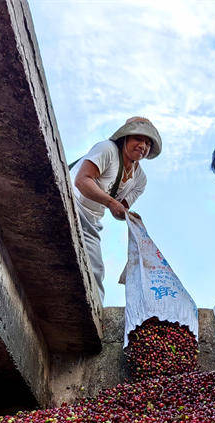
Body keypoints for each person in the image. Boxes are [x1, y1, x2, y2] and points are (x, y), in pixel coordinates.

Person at [70, 117, 162, 301]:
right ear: (125, 138)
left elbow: (121, 209)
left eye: (147, 143)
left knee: (94, 270)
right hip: (71, 202)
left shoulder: (140, 179)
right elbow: (82, 180)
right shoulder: (107, 149)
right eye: (138, 139)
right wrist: (111, 203)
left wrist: (132, 220)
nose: (142, 146)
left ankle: (95, 316)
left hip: (92, 220)